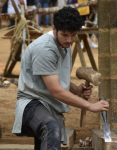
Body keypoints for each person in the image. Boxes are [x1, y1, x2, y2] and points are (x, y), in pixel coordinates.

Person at [12, 7, 109, 150]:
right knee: (50, 127)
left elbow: (55, 77)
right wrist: (90, 106)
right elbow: (56, 90)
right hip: (31, 104)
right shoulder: (45, 49)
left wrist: (76, 90)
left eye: (73, 35)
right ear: (54, 28)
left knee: (46, 140)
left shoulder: (65, 44)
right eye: (65, 35)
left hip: (48, 106)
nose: (69, 40)